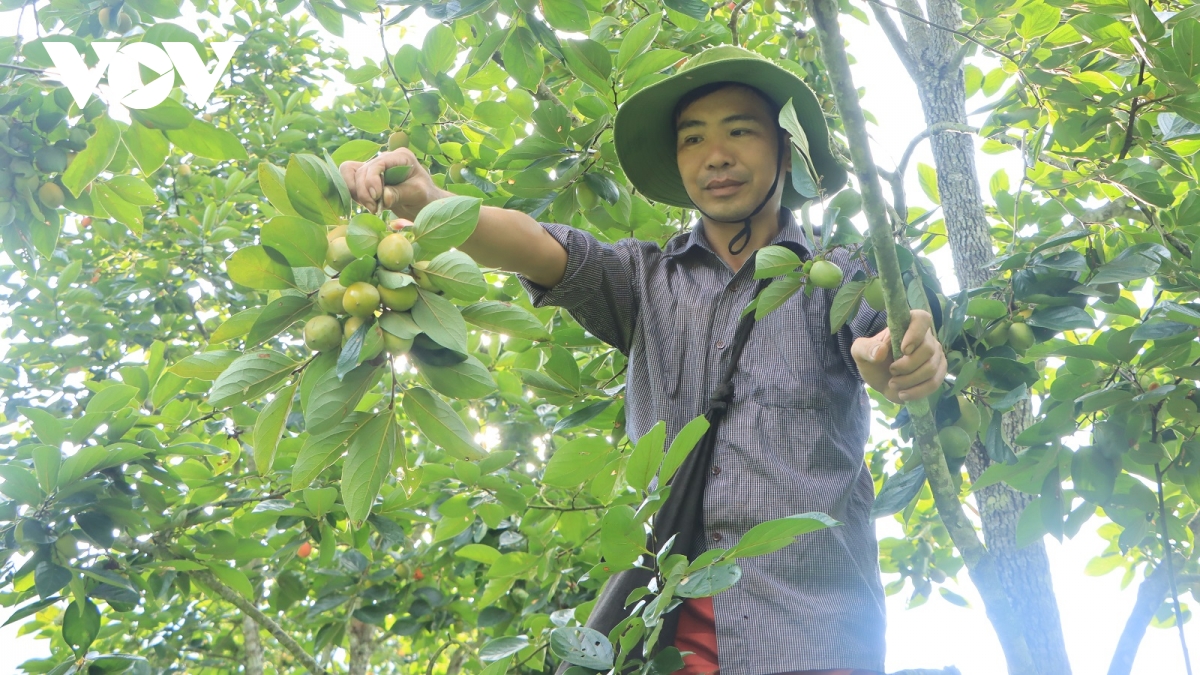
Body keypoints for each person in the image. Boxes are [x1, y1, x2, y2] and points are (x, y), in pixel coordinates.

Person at [339, 45, 946, 675]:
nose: (717, 155)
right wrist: (431, 202)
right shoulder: (644, 280)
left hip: (814, 635)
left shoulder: (835, 277)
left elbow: (890, 333)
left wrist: (898, 355)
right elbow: (540, 246)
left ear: (784, 152)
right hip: (665, 637)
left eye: (741, 131)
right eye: (693, 140)